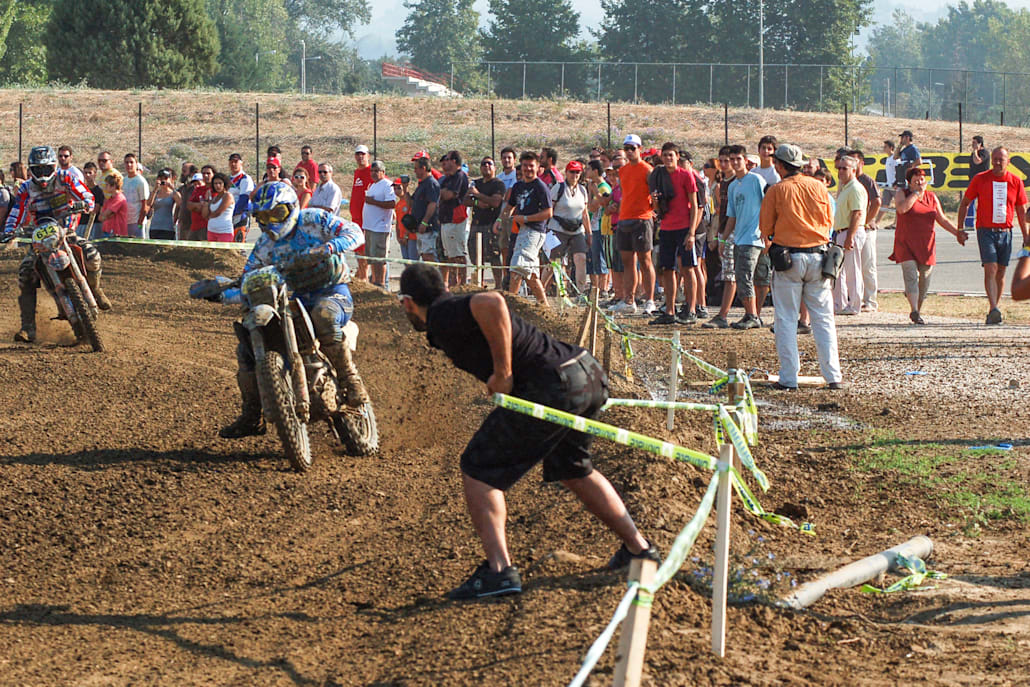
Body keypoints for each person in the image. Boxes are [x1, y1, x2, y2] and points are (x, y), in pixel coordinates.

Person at [396, 263, 659, 600]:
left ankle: (499, 571)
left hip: (553, 385)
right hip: (586, 374)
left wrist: (504, 372)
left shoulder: (443, 313)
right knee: (573, 468)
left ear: (407, 302)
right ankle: (638, 549)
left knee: (479, 469)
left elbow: (492, 302)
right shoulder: (448, 312)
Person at [217, 182, 368, 439]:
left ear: (291, 209)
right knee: (247, 344)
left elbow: (355, 232)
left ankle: (350, 379)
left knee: (325, 315)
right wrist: (219, 293)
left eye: (277, 214)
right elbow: (247, 277)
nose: (271, 222)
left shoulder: (314, 219)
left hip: (332, 291)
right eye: (264, 217)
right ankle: (253, 414)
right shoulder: (264, 245)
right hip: (294, 299)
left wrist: (328, 247)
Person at [759, 144, 842, 391]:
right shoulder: (819, 186)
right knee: (824, 319)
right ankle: (833, 376)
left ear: (780, 165)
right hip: (819, 256)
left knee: (785, 318)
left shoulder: (777, 190)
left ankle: (788, 378)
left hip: (789, 259)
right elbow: (829, 221)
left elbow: (766, 229)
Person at [5, 145, 106, 343]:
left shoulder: (65, 178)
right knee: (26, 273)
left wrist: (86, 203)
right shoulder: (26, 188)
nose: (42, 174)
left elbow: (84, 193)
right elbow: (17, 211)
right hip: (40, 238)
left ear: (53, 166)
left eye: (46, 169)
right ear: (31, 170)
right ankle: (28, 327)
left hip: (66, 232)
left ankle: (95, 288)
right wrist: (9, 231)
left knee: (92, 255)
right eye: (38, 170)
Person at [956, 146, 1029, 325]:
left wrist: (1026, 235)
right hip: (985, 231)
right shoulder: (980, 179)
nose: (997, 163)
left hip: (1006, 232)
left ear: (1008, 162)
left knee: (1001, 271)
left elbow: (1021, 210)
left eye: (1000, 160)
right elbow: (965, 203)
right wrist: (960, 228)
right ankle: (993, 308)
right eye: (994, 159)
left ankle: (996, 306)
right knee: (991, 268)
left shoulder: (1016, 181)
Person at [890, 167, 967, 324]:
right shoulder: (902, 194)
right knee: (910, 274)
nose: (920, 182)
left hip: (926, 244)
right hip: (905, 243)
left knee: (924, 280)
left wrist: (957, 233)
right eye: (916, 180)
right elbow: (902, 209)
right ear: (909, 183)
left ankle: (917, 309)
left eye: (922, 179)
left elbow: (942, 219)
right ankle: (914, 310)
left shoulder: (932, 197)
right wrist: (916, 194)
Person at [648, 142, 698, 325]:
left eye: (672, 155)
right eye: (665, 155)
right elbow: (657, 209)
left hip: (684, 227)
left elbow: (694, 205)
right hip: (667, 227)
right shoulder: (658, 176)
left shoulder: (686, 175)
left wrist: (691, 232)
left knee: (688, 268)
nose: (668, 158)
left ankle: (691, 309)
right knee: (668, 269)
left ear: (677, 157)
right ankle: (669, 310)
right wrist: (655, 202)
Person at [499, 151, 552, 307]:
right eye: (525, 166)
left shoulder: (540, 187)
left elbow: (548, 212)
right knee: (529, 272)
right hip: (521, 231)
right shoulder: (518, 186)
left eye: (531, 166)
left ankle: (510, 306)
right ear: (520, 167)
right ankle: (544, 305)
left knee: (517, 267)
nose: (528, 169)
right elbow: (509, 206)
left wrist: (526, 218)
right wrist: (503, 217)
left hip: (535, 231)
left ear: (537, 167)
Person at [723, 145, 768, 330]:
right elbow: (731, 216)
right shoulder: (733, 186)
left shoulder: (756, 179)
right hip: (739, 238)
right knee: (743, 277)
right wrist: (723, 239)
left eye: (738, 159)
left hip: (755, 237)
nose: (735, 162)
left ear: (745, 160)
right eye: (732, 159)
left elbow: (768, 204)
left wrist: (767, 233)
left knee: (750, 277)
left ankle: (753, 314)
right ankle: (751, 314)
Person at [615, 134, 656, 315]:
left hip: (642, 218)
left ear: (640, 149)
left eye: (633, 148)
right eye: (627, 148)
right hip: (624, 218)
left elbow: (654, 194)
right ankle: (629, 300)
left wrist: (653, 210)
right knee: (628, 262)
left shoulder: (647, 170)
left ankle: (650, 299)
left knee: (645, 261)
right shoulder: (622, 171)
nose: (630, 151)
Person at [831, 152, 867, 316]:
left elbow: (857, 214)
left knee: (853, 271)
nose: (840, 171)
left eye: (844, 168)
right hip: (841, 232)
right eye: (839, 168)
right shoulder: (845, 188)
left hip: (850, 231)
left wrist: (850, 237)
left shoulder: (855, 188)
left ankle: (855, 304)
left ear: (853, 169)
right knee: (840, 272)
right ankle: (841, 304)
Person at [704, 146, 736, 329]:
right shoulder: (723, 182)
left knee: (732, 276)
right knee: (728, 274)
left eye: (727, 161)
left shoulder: (737, 182)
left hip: (736, 232)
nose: (724, 164)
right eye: (721, 161)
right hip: (724, 230)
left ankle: (724, 314)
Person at [548, 160, 591, 294]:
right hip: (558, 228)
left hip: (577, 229)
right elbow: (550, 209)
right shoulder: (558, 188)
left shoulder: (583, 190)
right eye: (572, 172)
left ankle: (581, 292)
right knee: (554, 262)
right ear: (566, 173)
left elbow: (585, 214)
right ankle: (542, 288)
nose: (574, 175)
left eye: (577, 172)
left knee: (581, 259)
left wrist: (589, 233)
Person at [465, 156, 506, 288]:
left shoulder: (498, 184)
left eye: (489, 164)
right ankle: (479, 283)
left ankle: (498, 285)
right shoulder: (475, 183)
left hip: (491, 224)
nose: (486, 166)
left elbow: (495, 202)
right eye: (483, 164)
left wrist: (477, 195)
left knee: (494, 256)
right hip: (476, 224)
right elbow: (464, 200)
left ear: (494, 167)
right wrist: (477, 202)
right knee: (476, 257)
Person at [438, 151, 471, 286]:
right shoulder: (447, 178)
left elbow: (448, 195)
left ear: (454, 161)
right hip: (446, 220)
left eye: (447, 159)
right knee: (450, 254)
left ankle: (462, 282)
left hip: (456, 219)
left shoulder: (459, 176)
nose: (445, 162)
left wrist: (441, 192)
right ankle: (452, 282)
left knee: (458, 253)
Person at [362, 160, 397, 288]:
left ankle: (381, 283)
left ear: (383, 172)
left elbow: (392, 203)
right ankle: (375, 282)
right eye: (372, 171)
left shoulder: (387, 185)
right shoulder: (373, 185)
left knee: (379, 258)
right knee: (372, 258)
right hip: (370, 227)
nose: (373, 173)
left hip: (380, 227)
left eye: (376, 171)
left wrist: (373, 202)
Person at [585, 159, 612, 295]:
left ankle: (603, 288)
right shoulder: (595, 186)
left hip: (601, 227)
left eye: (588, 169)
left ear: (595, 171)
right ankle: (596, 288)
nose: (586, 172)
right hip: (594, 226)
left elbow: (592, 206)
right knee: (594, 257)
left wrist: (592, 192)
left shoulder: (603, 187)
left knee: (600, 256)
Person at [410, 155, 440, 262]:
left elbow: (433, 203)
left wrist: (425, 222)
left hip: (429, 228)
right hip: (420, 228)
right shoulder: (422, 184)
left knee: (429, 255)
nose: (415, 171)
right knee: (424, 255)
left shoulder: (431, 183)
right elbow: (412, 201)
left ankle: (435, 277)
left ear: (423, 168)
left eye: (416, 168)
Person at [351, 144, 373, 281]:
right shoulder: (357, 172)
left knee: (364, 249)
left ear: (368, 156)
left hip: (366, 218)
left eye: (363, 154)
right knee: (358, 248)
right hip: (356, 218)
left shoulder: (371, 171)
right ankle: (360, 276)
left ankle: (364, 278)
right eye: (358, 154)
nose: (360, 157)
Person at [228, 153, 255, 242]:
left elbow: (244, 200)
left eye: (236, 162)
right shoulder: (227, 179)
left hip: (240, 217)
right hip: (228, 218)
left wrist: (232, 213)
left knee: (239, 245)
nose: (233, 164)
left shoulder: (245, 179)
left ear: (241, 163)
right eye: (231, 162)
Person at [122, 153, 149, 238]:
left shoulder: (141, 181)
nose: (129, 165)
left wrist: (140, 224)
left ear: (136, 164)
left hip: (137, 223)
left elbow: (145, 205)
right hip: (126, 221)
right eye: (126, 162)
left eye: (131, 162)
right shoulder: (124, 180)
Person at [146, 168, 177, 240]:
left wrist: (172, 188)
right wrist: (155, 189)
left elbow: (180, 202)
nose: (163, 181)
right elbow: (148, 204)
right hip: (154, 227)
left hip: (168, 228)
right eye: (161, 178)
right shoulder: (155, 193)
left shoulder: (172, 194)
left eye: (165, 178)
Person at [204, 172, 236, 242]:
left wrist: (209, 216)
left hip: (224, 231)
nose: (217, 186)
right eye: (215, 183)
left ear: (224, 183)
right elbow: (205, 214)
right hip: (211, 230)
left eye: (220, 183)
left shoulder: (228, 196)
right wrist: (206, 201)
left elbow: (218, 212)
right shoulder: (214, 198)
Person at [185, 167, 213, 241]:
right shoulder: (197, 190)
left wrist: (199, 206)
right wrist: (199, 205)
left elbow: (210, 208)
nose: (196, 185)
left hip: (206, 226)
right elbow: (188, 205)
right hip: (194, 226)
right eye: (194, 184)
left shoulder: (213, 190)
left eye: (198, 183)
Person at [98, 171, 128, 238]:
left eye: (107, 185)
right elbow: (100, 217)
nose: (105, 187)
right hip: (107, 231)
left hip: (117, 233)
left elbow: (106, 213)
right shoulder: (109, 199)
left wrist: (106, 215)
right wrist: (105, 216)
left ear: (113, 186)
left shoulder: (119, 198)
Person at [80, 162, 105, 239]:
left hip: (94, 224)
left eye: (90, 173)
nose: (87, 175)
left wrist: (86, 209)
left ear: (95, 174)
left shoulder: (98, 191)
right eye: (85, 173)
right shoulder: (82, 190)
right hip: (82, 223)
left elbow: (96, 209)